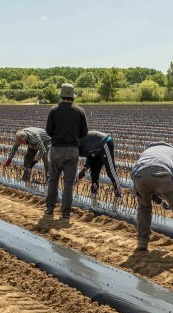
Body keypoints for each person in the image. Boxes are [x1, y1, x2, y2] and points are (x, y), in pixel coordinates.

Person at [44, 84, 88, 219]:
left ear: (61, 95)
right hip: (72, 150)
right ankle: (65, 213)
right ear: (72, 96)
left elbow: (48, 131)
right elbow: (84, 132)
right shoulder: (80, 111)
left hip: (56, 150)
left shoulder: (54, 110)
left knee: (53, 180)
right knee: (68, 184)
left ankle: (50, 209)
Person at [77, 130, 121, 198]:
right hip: (95, 147)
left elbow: (87, 151)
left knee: (110, 170)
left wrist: (84, 168)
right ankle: (94, 193)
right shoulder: (77, 145)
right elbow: (89, 154)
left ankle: (118, 194)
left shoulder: (76, 144)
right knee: (94, 170)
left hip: (104, 142)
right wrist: (85, 168)